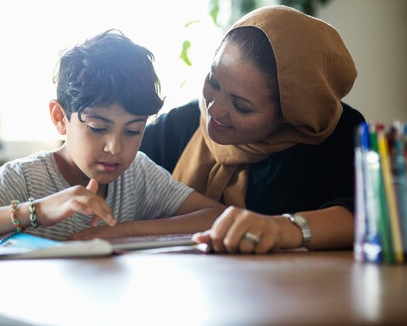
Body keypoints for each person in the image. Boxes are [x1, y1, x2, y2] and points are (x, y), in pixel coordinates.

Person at [0, 29, 225, 246]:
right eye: (97, 127)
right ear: (60, 118)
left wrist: (123, 232)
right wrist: (36, 211)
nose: (115, 148)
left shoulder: (139, 175)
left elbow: (218, 217)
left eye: (133, 131)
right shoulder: (24, 179)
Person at [140, 5, 365, 254]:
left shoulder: (335, 135)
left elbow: (374, 212)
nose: (213, 109)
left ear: (290, 114)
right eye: (213, 82)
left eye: (241, 106)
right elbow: (117, 172)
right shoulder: (182, 124)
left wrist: (283, 228)